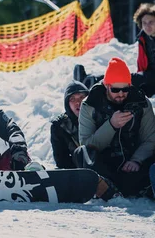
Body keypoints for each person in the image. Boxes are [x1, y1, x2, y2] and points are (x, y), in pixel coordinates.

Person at [77, 57, 155, 198]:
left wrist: (137, 159)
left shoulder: (141, 103)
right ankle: (105, 188)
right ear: (107, 86)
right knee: (81, 153)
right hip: (105, 166)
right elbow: (87, 144)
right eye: (115, 89)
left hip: (134, 165)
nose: (120, 94)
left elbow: (150, 138)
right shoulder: (90, 104)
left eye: (125, 89)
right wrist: (111, 126)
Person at [50, 81, 89, 169]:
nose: (78, 103)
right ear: (67, 104)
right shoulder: (59, 126)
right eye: (72, 99)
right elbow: (61, 161)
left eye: (82, 97)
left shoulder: (100, 117)